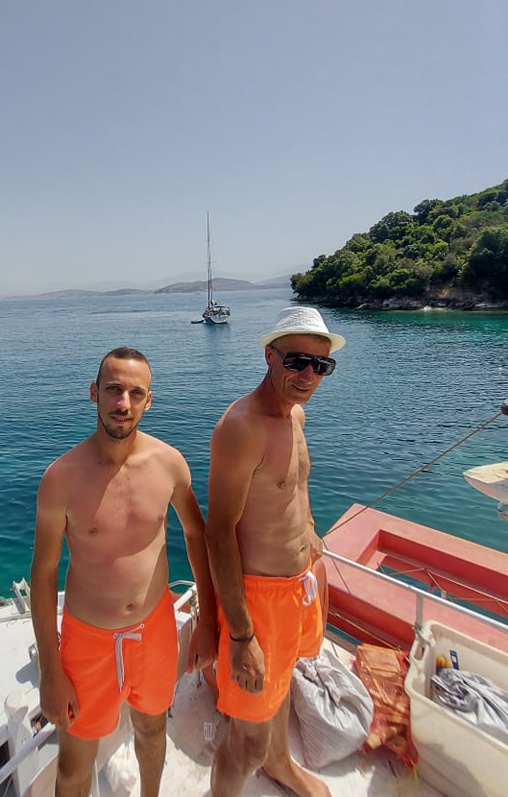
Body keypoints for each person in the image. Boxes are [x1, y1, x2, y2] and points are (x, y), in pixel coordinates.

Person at [30, 346, 216, 797]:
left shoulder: (169, 464)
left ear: (149, 400)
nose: (123, 403)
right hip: (87, 642)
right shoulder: (61, 478)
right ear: (94, 392)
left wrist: (208, 621)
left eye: (135, 393)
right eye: (113, 389)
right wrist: (51, 672)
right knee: (74, 764)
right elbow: (44, 573)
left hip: (155, 633)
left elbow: (197, 535)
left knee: (152, 731)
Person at [206, 306, 345, 797]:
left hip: (298, 589)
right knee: (245, 742)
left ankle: (280, 762)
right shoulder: (242, 427)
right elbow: (218, 534)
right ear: (269, 355)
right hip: (259, 603)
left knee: (282, 683)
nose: (308, 375)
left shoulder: (295, 416)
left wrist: (310, 531)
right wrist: (242, 636)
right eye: (296, 361)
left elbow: (293, 490)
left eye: (320, 365)